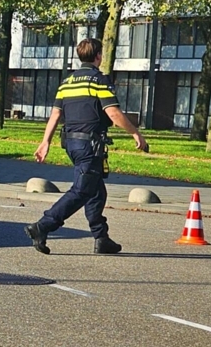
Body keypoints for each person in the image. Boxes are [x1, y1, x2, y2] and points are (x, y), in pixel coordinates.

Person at [25, 38, 148, 255]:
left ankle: (101, 238)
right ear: (98, 56)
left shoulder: (68, 82)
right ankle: (43, 226)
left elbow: (55, 114)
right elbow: (113, 112)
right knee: (82, 190)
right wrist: (136, 133)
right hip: (90, 145)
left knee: (95, 190)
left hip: (71, 143)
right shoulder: (98, 81)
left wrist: (45, 142)